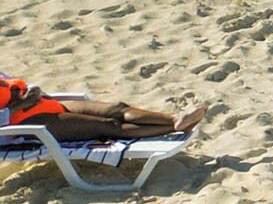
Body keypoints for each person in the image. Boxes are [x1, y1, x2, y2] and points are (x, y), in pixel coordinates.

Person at [3, 77, 204, 143]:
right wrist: (21, 105)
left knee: (117, 108)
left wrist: (33, 90)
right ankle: (172, 128)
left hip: (46, 103)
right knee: (109, 126)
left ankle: (175, 119)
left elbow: (18, 83)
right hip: (28, 124)